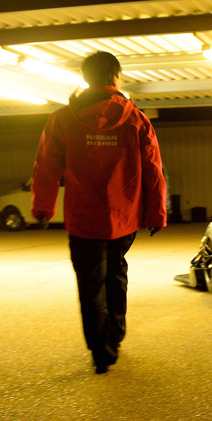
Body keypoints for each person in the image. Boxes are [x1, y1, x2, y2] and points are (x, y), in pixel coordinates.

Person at [32, 51, 167, 374]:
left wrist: (43, 205)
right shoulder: (136, 118)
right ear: (115, 78)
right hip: (125, 217)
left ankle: (100, 351)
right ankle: (115, 337)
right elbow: (153, 168)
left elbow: (46, 165)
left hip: (83, 219)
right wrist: (156, 213)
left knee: (90, 285)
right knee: (116, 274)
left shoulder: (63, 119)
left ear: (86, 78)